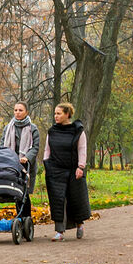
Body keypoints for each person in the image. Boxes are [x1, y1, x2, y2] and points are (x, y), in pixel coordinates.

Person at [41, 102, 90, 241]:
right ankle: (60, 232)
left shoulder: (78, 130)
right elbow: (47, 150)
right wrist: (47, 165)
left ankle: (80, 224)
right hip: (55, 170)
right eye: (55, 113)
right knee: (58, 200)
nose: (55, 116)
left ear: (67, 114)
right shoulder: (52, 131)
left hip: (74, 170)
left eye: (59, 113)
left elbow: (82, 149)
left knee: (75, 199)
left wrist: (81, 167)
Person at [1, 101, 39, 224]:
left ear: (26, 112)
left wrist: (27, 157)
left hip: (25, 165)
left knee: (24, 193)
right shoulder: (8, 128)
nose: (17, 113)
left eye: (20, 110)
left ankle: (26, 220)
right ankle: (20, 220)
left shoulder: (32, 128)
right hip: (11, 164)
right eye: (16, 110)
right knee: (15, 192)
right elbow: (2, 145)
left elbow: (35, 147)